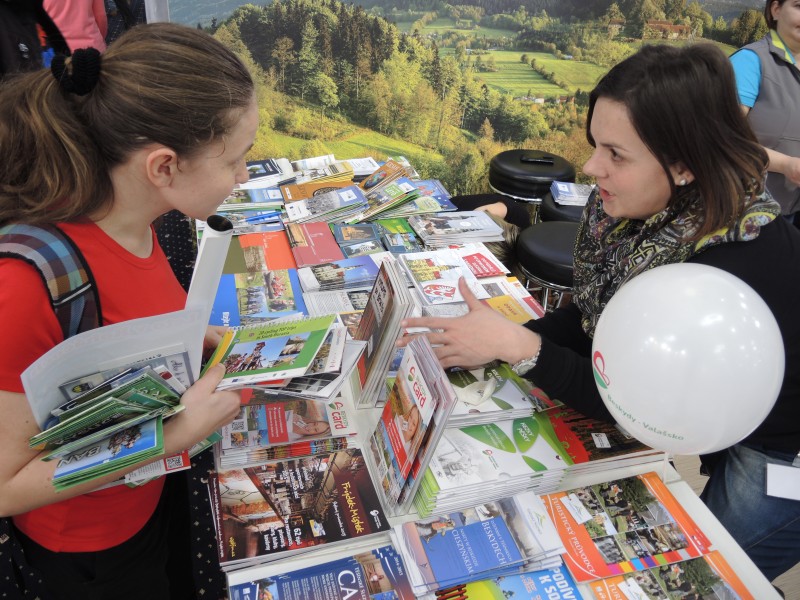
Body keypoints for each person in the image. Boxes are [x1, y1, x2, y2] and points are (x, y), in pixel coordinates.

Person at [399, 43, 800, 583]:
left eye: (616, 153)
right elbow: (599, 321)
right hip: (726, 413)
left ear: (683, 165)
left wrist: (523, 349)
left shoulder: (737, 262)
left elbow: (639, 406)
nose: (591, 168)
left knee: (702, 574)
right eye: (594, 145)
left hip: (784, 453)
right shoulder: (635, 214)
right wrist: (499, 337)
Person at [0, 23, 254, 598]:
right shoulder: (26, 285)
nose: (242, 178)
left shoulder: (141, 221)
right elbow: (6, 486)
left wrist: (192, 336)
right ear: (164, 167)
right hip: (88, 550)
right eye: (237, 160)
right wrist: (177, 435)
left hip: (143, 501)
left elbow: (120, 327)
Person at [730, 0, 800, 223]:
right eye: (799, 5)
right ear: (776, 9)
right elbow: (723, 138)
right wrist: (786, 165)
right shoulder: (750, 62)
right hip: (750, 212)